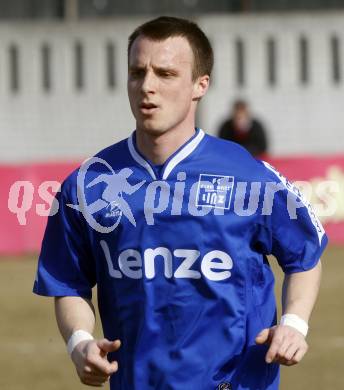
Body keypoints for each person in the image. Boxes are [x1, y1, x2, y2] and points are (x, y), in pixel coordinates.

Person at [33, 16, 327, 390]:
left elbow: (305, 255)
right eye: (137, 72)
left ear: (199, 85)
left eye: (166, 74)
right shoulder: (88, 185)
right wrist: (79, 342)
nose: (147, 87)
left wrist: (294, 324)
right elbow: (69, 283)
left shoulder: (250, 177)